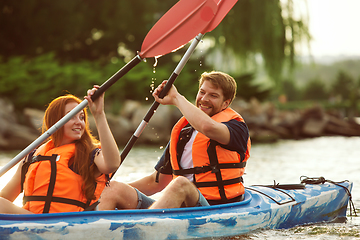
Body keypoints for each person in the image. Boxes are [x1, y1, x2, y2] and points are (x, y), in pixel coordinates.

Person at [99, 71, 250, 210]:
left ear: (226, 103)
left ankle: (146, 230)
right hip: (178, 210)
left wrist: (176, 98)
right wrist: (101, 188)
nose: (204, 99)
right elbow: (156, 182)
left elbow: (208, 127)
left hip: (215, 208)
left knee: (181, 184)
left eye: (213, 95)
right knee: (113, 188)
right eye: (202, 92)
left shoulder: (236, 128)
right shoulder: (184, 133)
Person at [0, 85, 121, 214]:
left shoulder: (89, 153)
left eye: (81, 117)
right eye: (72, 116)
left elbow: (112, 165)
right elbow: (5, 198)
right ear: (55, 120)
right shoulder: (31, 158)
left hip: (68, 221)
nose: (79, 122)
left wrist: (99, 115)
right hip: (33, 221)